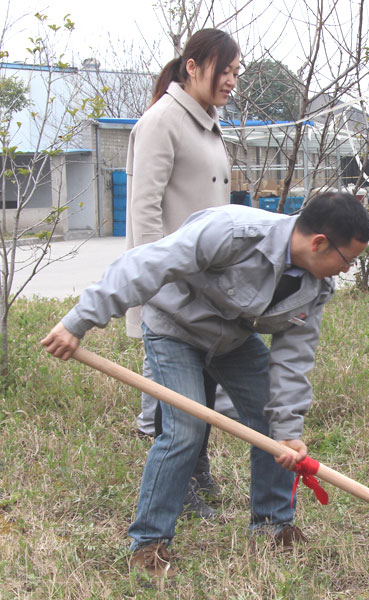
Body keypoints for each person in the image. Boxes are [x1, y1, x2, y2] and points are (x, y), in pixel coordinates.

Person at [40, 192, 369, 578]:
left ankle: (272, 527)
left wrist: (289, 431)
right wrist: (79, 321)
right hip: (175, 329)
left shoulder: (314, 289)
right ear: (319, 243)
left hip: (231, 339)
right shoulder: (233, 231)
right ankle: (149, 543)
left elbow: (293, 361)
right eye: (347, 260)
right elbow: (144, 266)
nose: (347, 271)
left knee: (275, 430)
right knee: (185, 429)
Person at [127, 28, 242, 518]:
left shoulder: (208, 125)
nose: (232, 81)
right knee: (177, 399)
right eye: (225, 70)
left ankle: (198, 470)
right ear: (193, 66)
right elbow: (144, 212)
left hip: (207, 287)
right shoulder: (163, 122)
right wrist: (161, 282)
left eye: (237, 72)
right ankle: (177, 486)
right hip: (172, 288)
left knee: (206, 386)